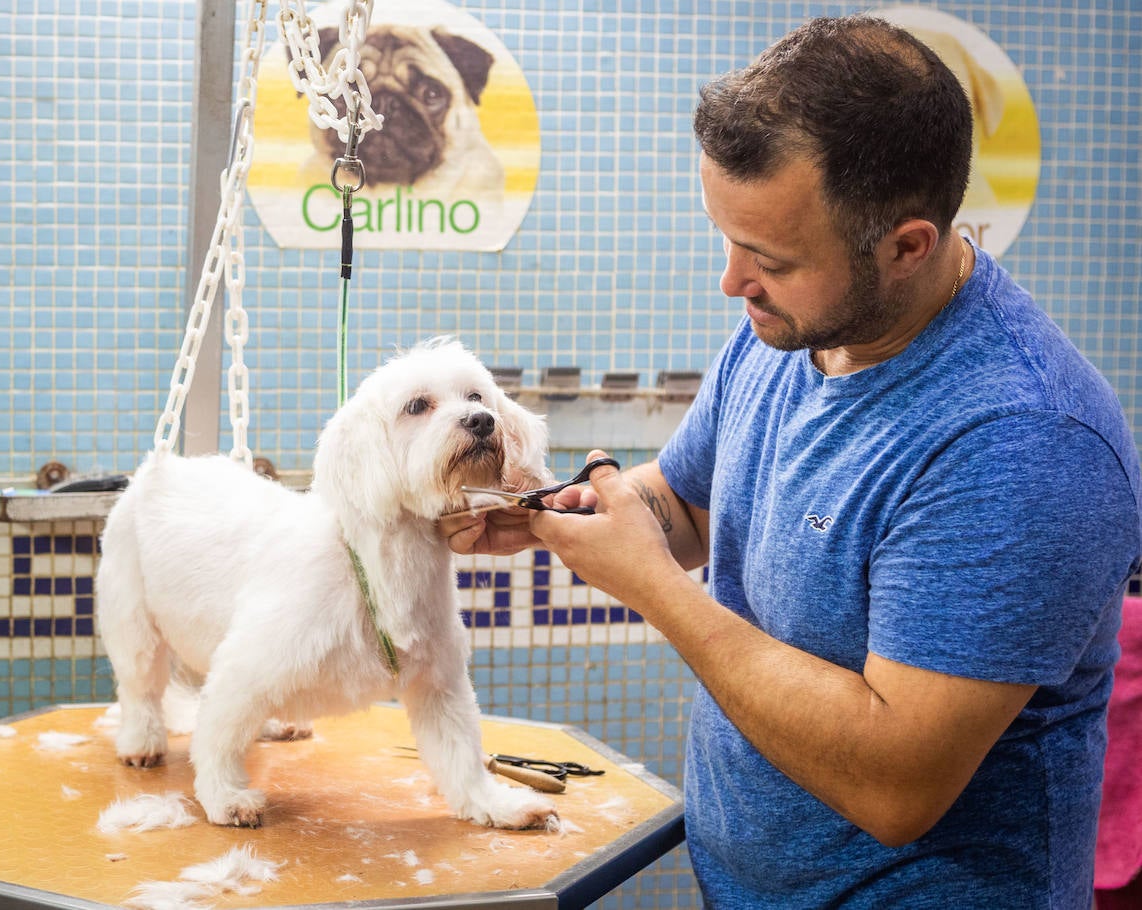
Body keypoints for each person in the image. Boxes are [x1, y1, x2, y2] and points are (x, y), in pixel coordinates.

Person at [442, 15, 1142, 908]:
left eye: (768, 257)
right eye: (726, 238)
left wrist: (653, 586)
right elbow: (689, 506)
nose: (731, 282)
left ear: (906, 246)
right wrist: (568, 514)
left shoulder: (1022, 443)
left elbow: (896, 788)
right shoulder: (789, 330)